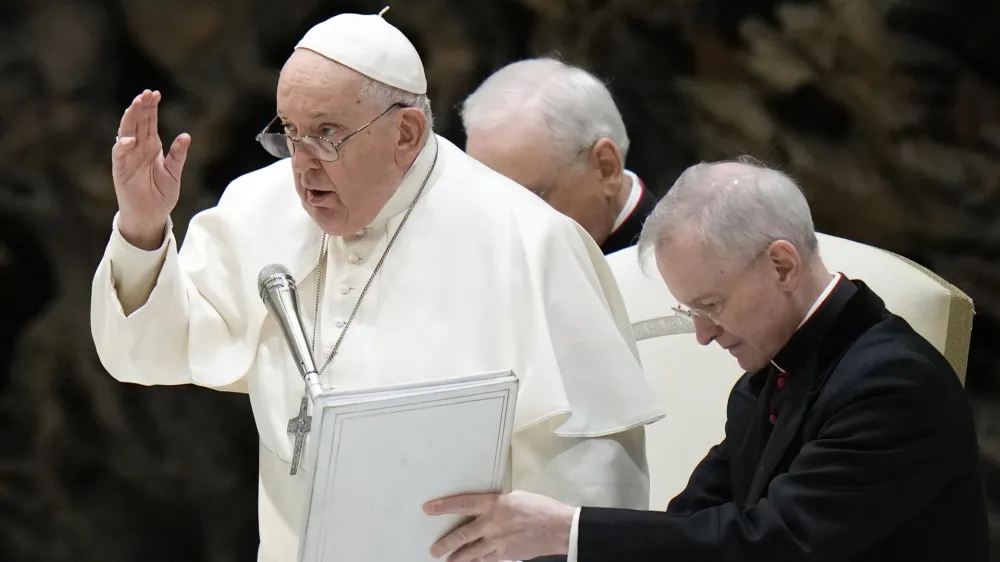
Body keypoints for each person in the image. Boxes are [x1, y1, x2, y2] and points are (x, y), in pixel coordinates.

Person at [90, 10, 664, 562]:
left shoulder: (527, 240)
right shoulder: (256, 209)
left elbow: (592, 466)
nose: (302, 165)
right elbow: (149, 350)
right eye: (289, 132)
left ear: (407, 133)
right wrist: (141, 228)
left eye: (326, 134)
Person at [424, 159, 991, 562]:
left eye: (710, 305)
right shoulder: (770, 372)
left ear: (783, 265)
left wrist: (567, 530)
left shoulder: (893, 384)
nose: (700, 334)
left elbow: (774, 543)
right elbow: (693, 525)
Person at [461, 57, 656, 255]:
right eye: (486, 201)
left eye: (529, 201)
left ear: (606, 168)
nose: (502, 230)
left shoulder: (670, 274)